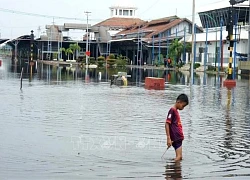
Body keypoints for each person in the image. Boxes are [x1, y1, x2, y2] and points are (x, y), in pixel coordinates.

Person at [165, 94, 189, 161]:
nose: (183, 108)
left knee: (179, 157)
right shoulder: (172, 110)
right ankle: (171, 169)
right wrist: (168, 138)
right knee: (179, 157)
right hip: (176, 138)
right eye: (183, 106)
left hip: (178, 138)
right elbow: (167, 123)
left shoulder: (175, 111)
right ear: (178, 102)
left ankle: (173, 168)